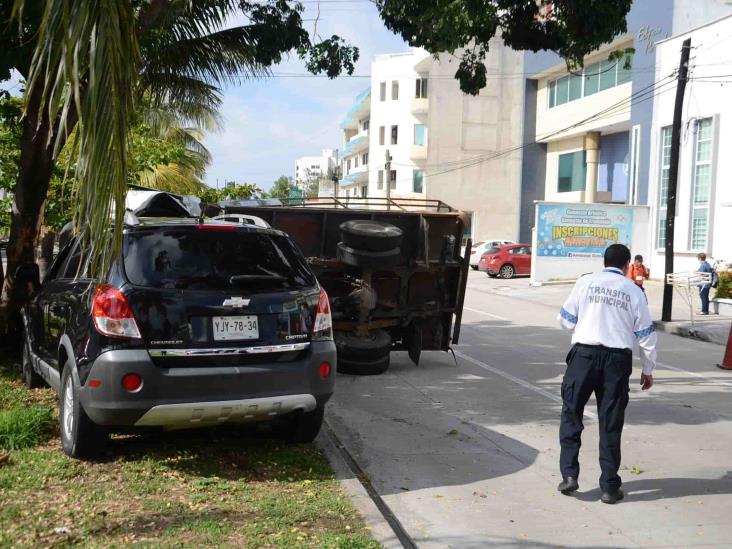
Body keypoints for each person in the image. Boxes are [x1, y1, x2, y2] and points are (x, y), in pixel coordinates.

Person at [556, 244, 657, 504]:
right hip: (617, 360)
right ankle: (610, 488)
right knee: (610, 421)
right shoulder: (634, 291)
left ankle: (569, 474)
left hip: (584, 356)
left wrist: (588, 320)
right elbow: (645, 334)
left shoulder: (585, 282)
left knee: (571, 412)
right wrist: (648, 369)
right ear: (626, 266)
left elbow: (566, 319)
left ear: (604, 262)